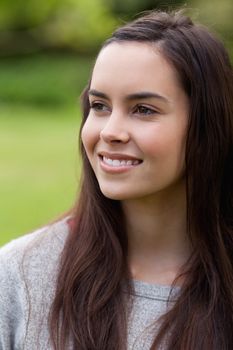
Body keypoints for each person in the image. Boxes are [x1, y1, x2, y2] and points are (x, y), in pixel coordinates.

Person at [0, 8, 233, 350]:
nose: (110, 132)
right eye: (100, 106)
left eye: (143, 109)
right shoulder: (20, 276)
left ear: (206, 126)